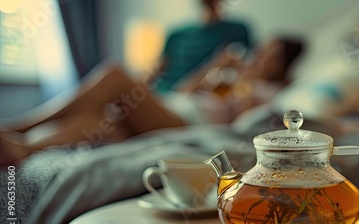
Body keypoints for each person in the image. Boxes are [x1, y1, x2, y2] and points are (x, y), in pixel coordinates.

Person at [0, 36, 304, 167]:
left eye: (272, 52)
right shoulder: (231, 74)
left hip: (187, 123)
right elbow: (184, 91)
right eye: (265, 48)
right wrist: (212, 66)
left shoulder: (270, 93)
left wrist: (246, 82)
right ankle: (23, 147)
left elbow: (244, 125)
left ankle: (21, 124)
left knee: (115, 75)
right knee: (100, 123)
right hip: (172, 106)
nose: (262, 53)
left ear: (282, 63)